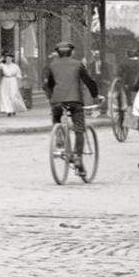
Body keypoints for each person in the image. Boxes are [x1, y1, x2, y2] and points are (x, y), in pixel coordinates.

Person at [43, 41, 100, 177]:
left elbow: (48, 85)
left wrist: (51, 97)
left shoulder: (52, 66)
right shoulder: (78, 64)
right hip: (75, 100)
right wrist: (95, 95)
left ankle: (59, 137)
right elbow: (88, 81)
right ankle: (78, 158)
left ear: (57, 53)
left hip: (57, 100)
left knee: (56, 117)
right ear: (72, 52)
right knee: (79, 129)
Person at [0, 52, 27, 117]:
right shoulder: (3, 65)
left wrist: (19, 83)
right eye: (7, 58)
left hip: (12, 81)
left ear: (12, 59)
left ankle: (14, 109)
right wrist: (0, 59)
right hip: (5, 80)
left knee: (13, 95)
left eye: (9, 58)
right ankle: (8, 110)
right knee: (5, 95)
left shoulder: (15, 66)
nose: (8, 60)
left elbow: (19, 75)